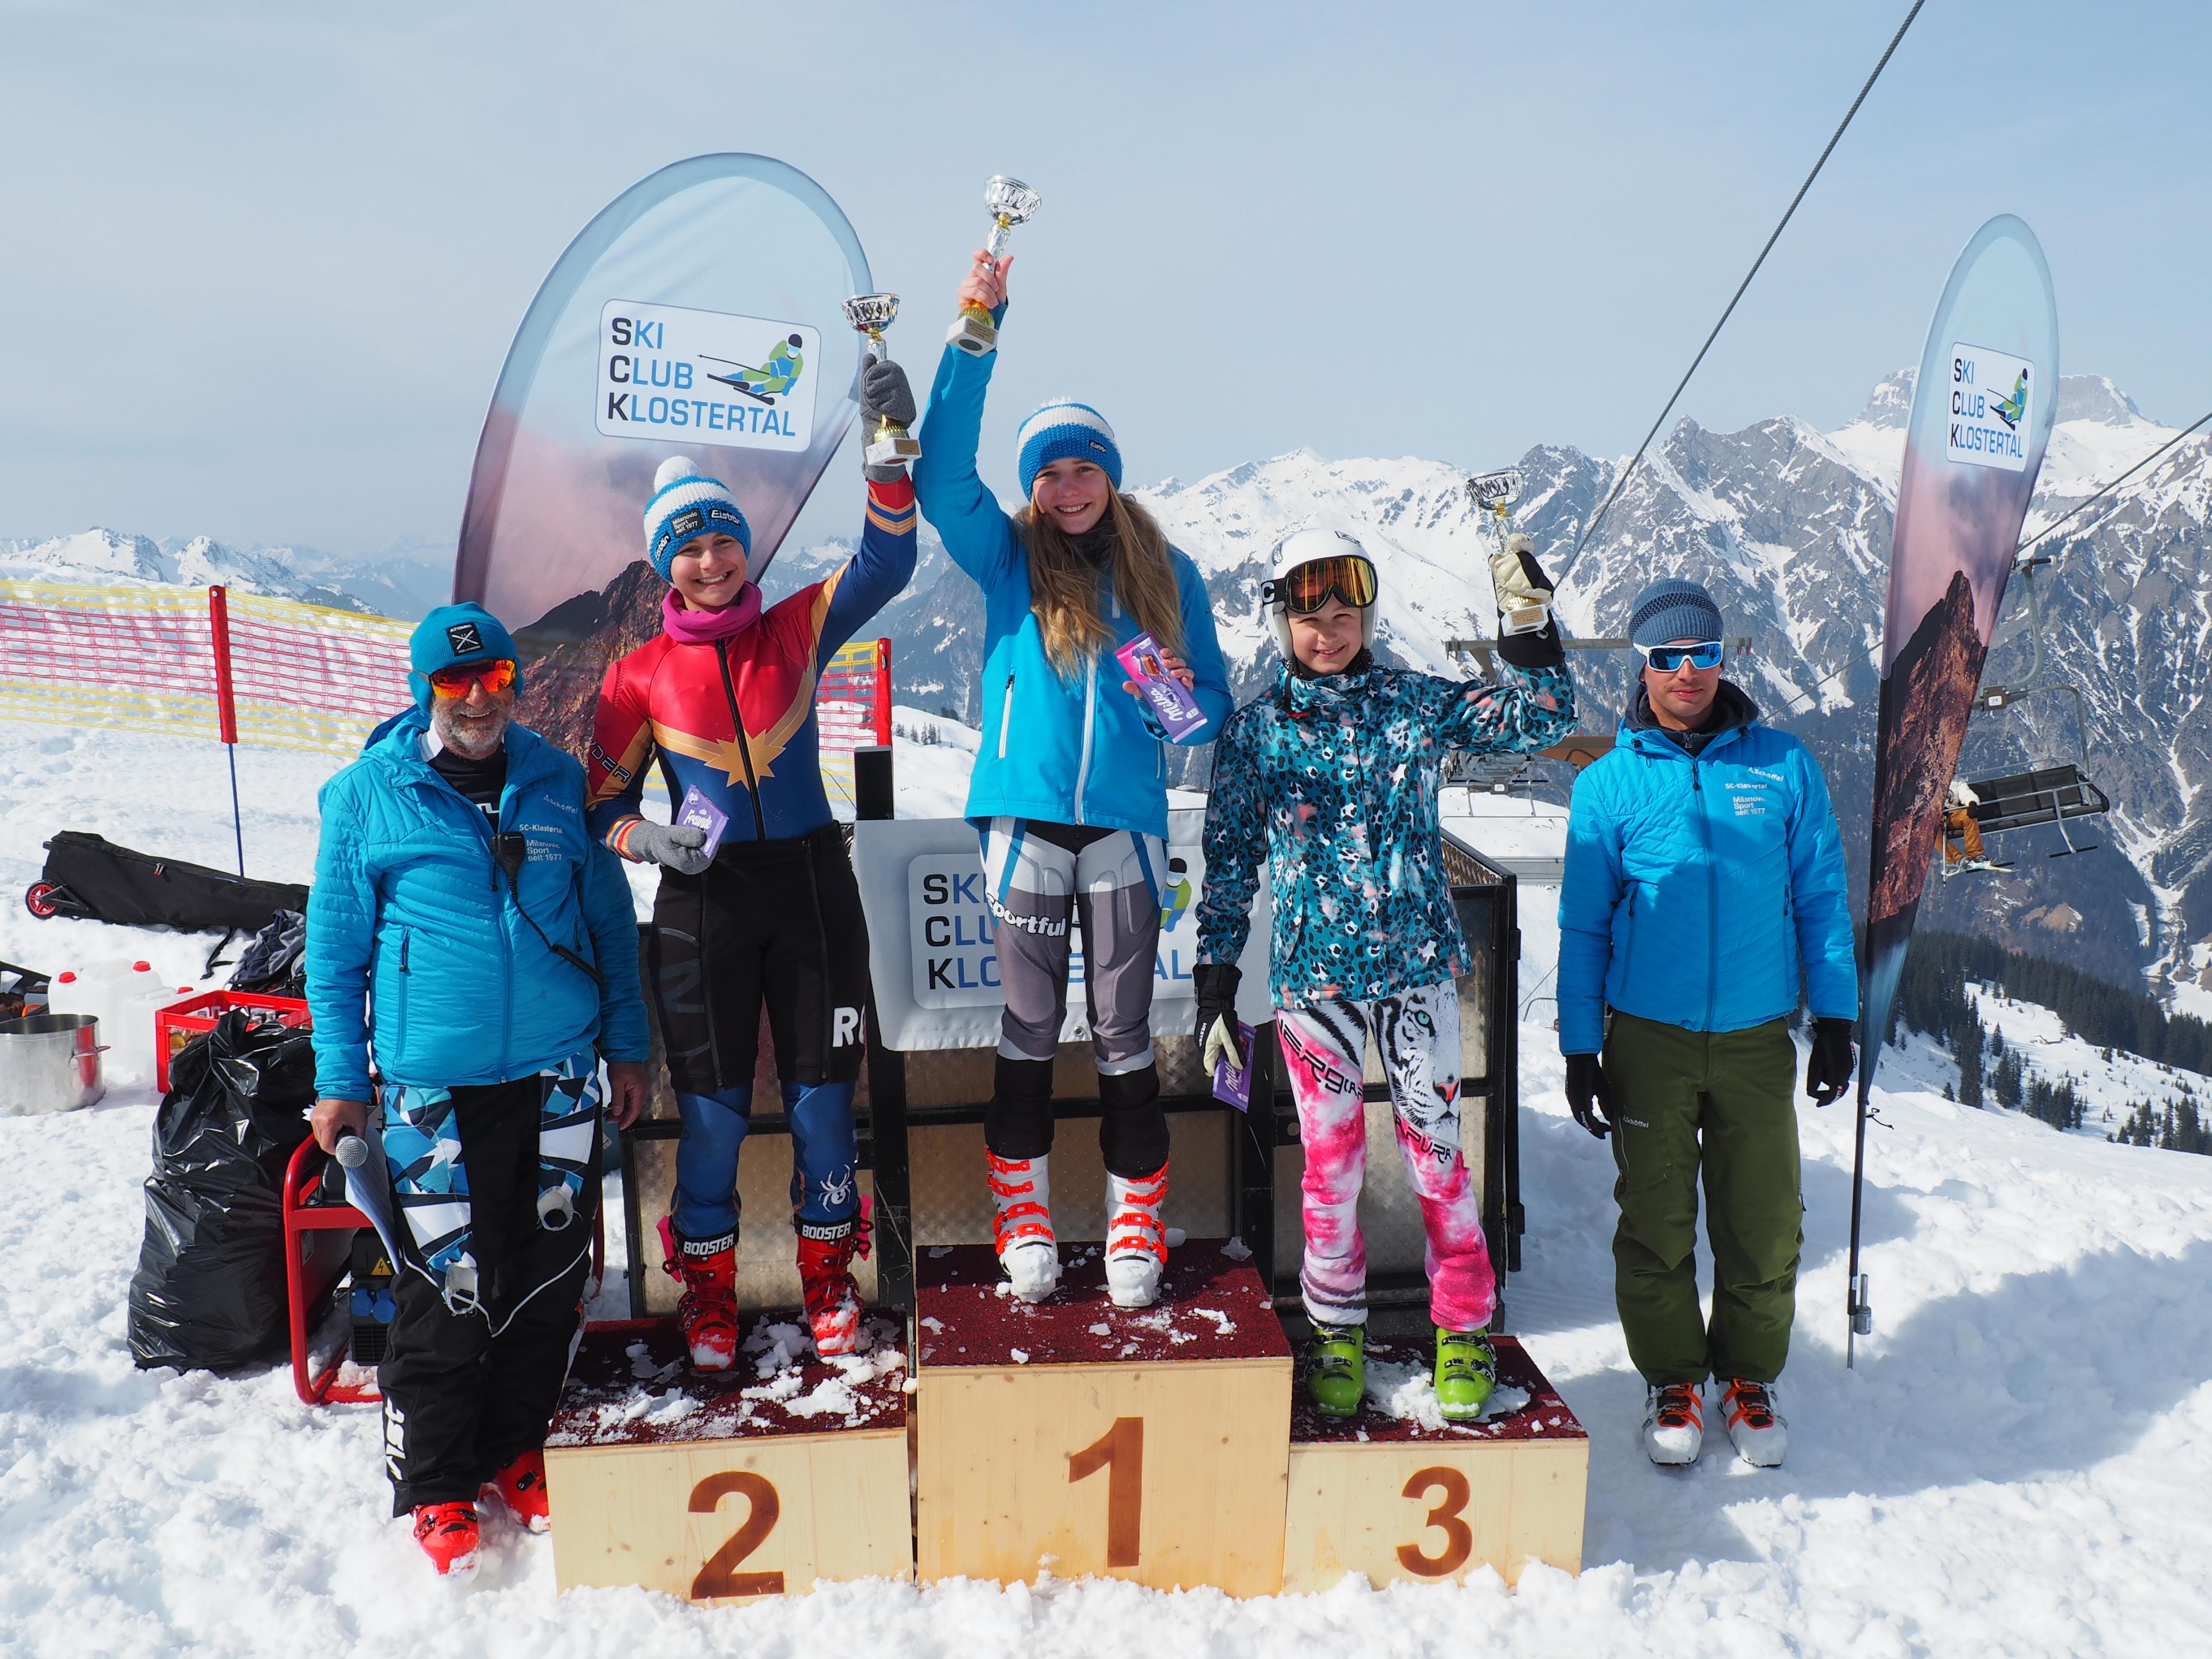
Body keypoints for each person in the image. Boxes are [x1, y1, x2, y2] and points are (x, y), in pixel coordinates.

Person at [1192, 529, 1576, 1419]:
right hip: (1313, 983)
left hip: (1416, 972)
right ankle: (1334, 1328)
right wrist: (1216, 978)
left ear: (1367, 618)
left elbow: (1543, 719)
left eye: (1345, 614)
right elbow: (1231, 862)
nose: (1328, 632)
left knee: (1437, 1155)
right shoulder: (1256, 734)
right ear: (1281, 623)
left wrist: (1528, 629)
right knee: (1330, 1167)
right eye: (1310, 617)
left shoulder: (1410, 704)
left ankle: (1464, 1325)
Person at [913, 246, 1233, 1310]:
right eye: (1047, 474)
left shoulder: (1169, 572)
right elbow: (939, 475)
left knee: (1125, 1030)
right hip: (1024, 821)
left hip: (1126, 824)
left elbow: (1212, 706)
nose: (1065, 489)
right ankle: (1024, 1218)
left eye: (1082, 469)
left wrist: (1180, 700)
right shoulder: (1006, 557)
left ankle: (1134, 1218)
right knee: (1027, 1026)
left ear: (1111, 475)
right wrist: (974, 333)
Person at [306, 602, 651, 1577]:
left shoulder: (556, 780)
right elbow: (334, 956)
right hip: (432, 1089)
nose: (476, 698)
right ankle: (439, 1481)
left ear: (515, 682)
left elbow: (609, 926)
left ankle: (512, 1445)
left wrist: (627, 1049)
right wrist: (341, 1083)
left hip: (558, 1073)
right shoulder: (367, 796)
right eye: (454, 681)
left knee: (546, 1274)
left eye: (494, 677)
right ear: (425, 688)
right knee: (446, 1284)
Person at [586, 358, 919, 1368]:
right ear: (664, 565)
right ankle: (708, 1295)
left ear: (746, 545)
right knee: (714, 1122)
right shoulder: (637, 676)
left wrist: (887, 456)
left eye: (724, 540)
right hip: (705, 904)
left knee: (823, 1112)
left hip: (812, 889)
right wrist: (648, 840)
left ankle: (829, 1277)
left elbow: (887, 562)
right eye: (689, 549)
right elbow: (603, 805)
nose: (711, 561)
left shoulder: (794, 628)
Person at [1557, 577, 1857, 1470]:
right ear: (1641, 666)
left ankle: (1749, 1377)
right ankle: (1674, 1379)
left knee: (1764, 1221)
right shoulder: (1607, 785)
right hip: (1647, 1037)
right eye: (1667, 656)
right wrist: (1581, 1047)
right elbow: (1584, 927)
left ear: (1726, 659)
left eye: (1704, 654)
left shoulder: (1783, 766)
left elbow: (1821, 897)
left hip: (1757, 1038)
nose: (1687, 672)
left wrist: (1835, 1017)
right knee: (1655, 1222)